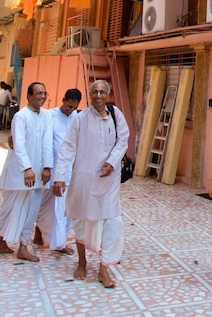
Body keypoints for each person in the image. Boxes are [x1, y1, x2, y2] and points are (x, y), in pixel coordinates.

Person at [53, 80, 128, 289]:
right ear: (89, 94)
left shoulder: (115, 114)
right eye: (94, 91)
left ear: (108, 94)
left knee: (113, 223)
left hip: (108, 180)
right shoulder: (80, 118)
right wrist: (59, 176)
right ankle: (82, 262)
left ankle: (104, 268)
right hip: (84, 179)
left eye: (102, 92)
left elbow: (123, 140)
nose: (98, 95)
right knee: (81, 221)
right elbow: (68, 147)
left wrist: (112, 163)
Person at [0, 82, 53, 262]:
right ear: (29, 96)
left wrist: (47, 167)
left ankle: (23, 246)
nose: (42, 96)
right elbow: (18, 145)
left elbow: (47, 142)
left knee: (30, 211)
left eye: (44, 93)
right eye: (38, 93)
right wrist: (26, 169)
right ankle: (1, 237)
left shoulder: (46, 116)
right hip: (19, 173)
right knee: (12, 209)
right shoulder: (21, 117)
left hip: (38, 173)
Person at [34, 88, 81, 254]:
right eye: (68, 106)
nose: (70, 110)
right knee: (43, 205)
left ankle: (60, 242)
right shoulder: (49, 115)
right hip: (50, 169)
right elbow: (37, 135)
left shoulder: (78, 117)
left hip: (69, 171)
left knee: (64, 208)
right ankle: (39, 231)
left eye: (74, 108)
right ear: (62, 99)